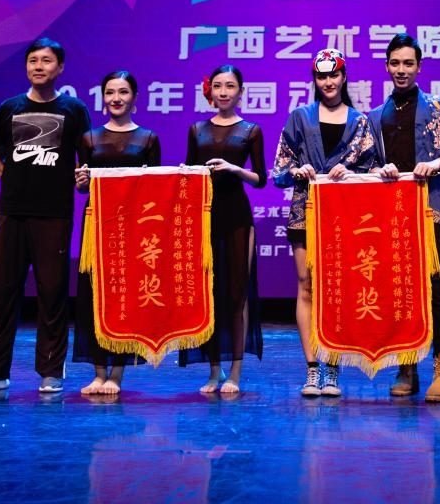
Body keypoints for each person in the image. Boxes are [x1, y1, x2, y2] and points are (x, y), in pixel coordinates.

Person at [0, 37, 92, 395]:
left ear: (60, 67)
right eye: (33, 60)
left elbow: (85, 162)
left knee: (52, 294)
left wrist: (80, 182)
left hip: (54, 215)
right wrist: (18, 183)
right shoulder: (9, 108)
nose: (39, 66)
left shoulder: (74, 109)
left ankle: (51, 371)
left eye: (46, 60)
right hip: (11, 214)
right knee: (4, 292)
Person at [368, 33, 440, 402]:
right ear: (386, 67)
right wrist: (380, 169)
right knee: (400, 288)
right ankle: (406, 364)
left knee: (436, 287)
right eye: (395, 63)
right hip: (392, 214)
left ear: (419, 67)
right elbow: (366, 163)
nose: (401, 70)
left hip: (429, 210)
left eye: (408, 63)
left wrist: (437, 162)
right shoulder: (375, 116)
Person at [272, 48, 378, 398]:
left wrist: (352, 171)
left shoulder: (360, 121)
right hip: (305, 212)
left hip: (343, 216)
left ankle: (333, 367)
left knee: (335, 288)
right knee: (306, 285)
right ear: (314, 80)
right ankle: (312, 368)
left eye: (334, 75)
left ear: (344, 77)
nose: (328, 82)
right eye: (321, 76)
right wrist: (297, 169)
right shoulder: (299, 118)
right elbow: (279, 170)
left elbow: (373, 170)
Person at [177, 64, 267, 393]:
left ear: (240, 92)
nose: (224, 92)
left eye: (230, 86)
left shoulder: (250, 131)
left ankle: (235, 373)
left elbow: (260, 180)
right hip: (204, 217)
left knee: (237, 295)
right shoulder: (197, 130)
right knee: (209, 294)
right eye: (218, 86)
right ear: (210, 91)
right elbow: (189, 174)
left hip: (237, 216)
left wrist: (233, 168)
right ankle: (214, 371)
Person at [72, 70, 161, 396]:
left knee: (124, 299)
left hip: (133, 228)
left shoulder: (148, 139)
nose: (116, 98)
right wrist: (81, 183)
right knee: (94, 296)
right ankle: (98, 372)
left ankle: (117, 374)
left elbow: (155, 189)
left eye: (123, 92)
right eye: (110, 92)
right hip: (97, 225)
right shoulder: (89, 138)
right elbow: (83, 188)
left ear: (134, 98)